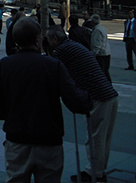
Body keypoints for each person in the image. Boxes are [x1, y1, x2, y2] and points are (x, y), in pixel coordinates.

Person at [0, 18, 92, 183]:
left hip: (17, 139)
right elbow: (75, 100)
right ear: (37, 39)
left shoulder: (4, 65)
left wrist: (8, 116)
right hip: (49, 140)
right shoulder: (53, 65)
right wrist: (87, 99)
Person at [45, 26, 119, 183]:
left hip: (98, 97)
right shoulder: (74, 45)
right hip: (109, 94)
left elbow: (52, 69)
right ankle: (98, 170)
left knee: (95, 137)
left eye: (48, 39)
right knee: (104, 138)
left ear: (55, 39)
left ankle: (94, 173)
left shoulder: (62, 51)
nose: (46, 42)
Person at [90, 14, 112, 83]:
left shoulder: (97, 31)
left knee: (102, 72)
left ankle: (105, 86)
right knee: (105, 71)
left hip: (101, 54)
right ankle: (108, 85)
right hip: (106, 52)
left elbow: (97, 44)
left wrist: (93, 54)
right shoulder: (102, 28)